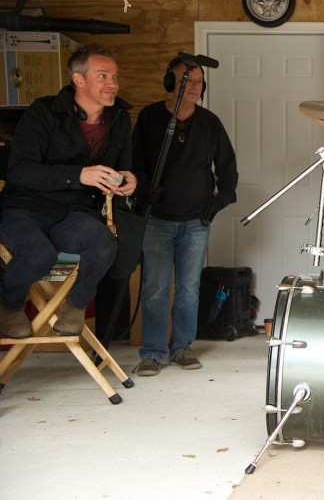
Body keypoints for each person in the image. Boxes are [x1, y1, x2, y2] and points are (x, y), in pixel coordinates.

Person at [0, 44, 136, 338]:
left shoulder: (120, 120)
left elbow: (124, 168)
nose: (112, 83)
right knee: (39, 254)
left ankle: (75, 306)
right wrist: (78, 175)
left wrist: (128, 181)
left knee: (104, 243)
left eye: (114, 76)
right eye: (102, 76)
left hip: (74, 213)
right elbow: (19, 170)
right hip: (26, 208)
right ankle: (10, 306)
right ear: (78, 79)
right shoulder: (43, 112)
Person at [132, 56, 238, 376]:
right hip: (157, 220)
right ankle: (152, 352)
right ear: (170, 83)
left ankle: (181, 348)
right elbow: (134, 163)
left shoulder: (210, 123)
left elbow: (228, 168)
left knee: (189, 289)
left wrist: (220, 201)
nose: (194, 87)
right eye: (187, 80)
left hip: (196, 222)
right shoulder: (150, 118)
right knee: (155, 287)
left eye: (199, 82)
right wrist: (141, 189)